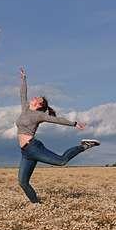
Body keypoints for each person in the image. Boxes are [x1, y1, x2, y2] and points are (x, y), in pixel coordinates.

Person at [15, 67, 100, 203]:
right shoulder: (25, 108)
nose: (34, 97)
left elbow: (56, 120)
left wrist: (74, 123)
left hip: (34, 147)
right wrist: (24, 79)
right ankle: (37, 205)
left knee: (61, 161)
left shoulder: (39, 115)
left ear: (39, 104)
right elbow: (22, 93)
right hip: (25, 152)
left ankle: (84, 146)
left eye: (38, 98)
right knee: (22, 182)